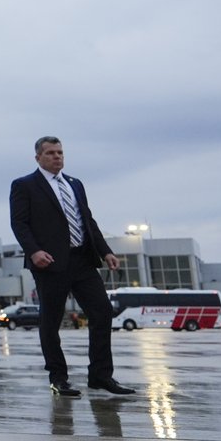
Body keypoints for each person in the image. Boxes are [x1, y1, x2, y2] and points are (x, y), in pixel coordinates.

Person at [9, 137, 136, 397]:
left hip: (82, 260)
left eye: (60, 152)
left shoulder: (75, 184)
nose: (57, 156)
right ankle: (58, 378)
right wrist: (34, 251)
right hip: (50, 263)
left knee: (102, 312)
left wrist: (106, 251)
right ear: (38, 157)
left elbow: (87, 220)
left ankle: (100, 376)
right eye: (50, 153)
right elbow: (19, 223)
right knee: (51, 321)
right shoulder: (24, 185)